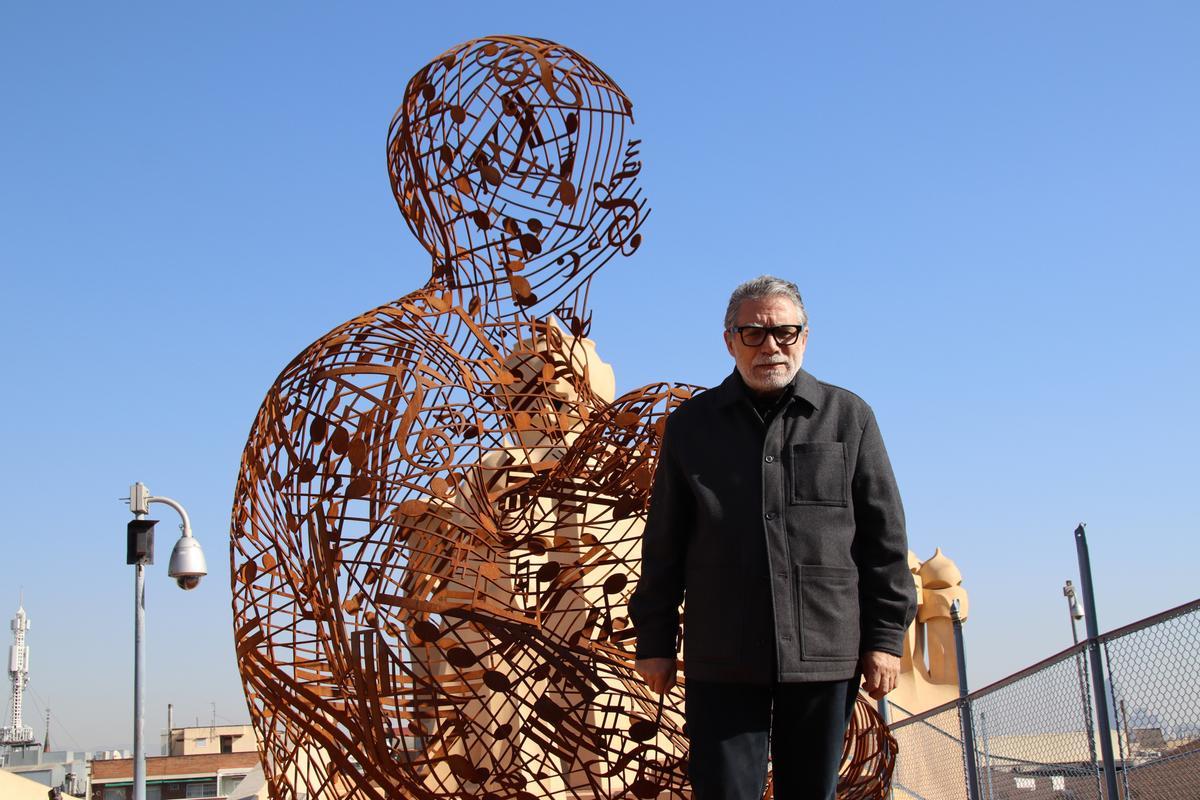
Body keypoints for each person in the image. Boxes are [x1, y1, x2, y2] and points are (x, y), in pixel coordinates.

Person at [629, 275, 917, 800]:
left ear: (804, 337)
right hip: (723, 655)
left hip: (823, 652)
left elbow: (884, 538)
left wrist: (884, 638)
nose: (771, 347)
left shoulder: (848, 419)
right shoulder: (691, 427)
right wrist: (655, 641)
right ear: (729, 341)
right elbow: (664, 542)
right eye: (754, 334)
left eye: (785, 333)